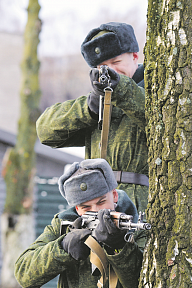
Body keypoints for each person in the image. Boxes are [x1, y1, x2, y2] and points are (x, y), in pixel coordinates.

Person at [36, 22, 149, 213]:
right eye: (103, 66)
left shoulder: (153, 92)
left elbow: (157, 121)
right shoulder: (99, 101)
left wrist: (121, 89)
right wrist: (89, 107)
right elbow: (45, 131)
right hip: (95, 202)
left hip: (140, 204)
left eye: (116, 62)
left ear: (135, 56)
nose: (111, 71)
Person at [14, 158, 148, 288]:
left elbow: (142, 281)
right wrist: (63, 248)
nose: (96, 211)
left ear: (114, 195)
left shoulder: (133, 225)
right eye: (86, 207)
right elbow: (23, 274)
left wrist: (120, 247)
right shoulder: (64, 224)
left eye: (101, 202)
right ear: (77, 209)